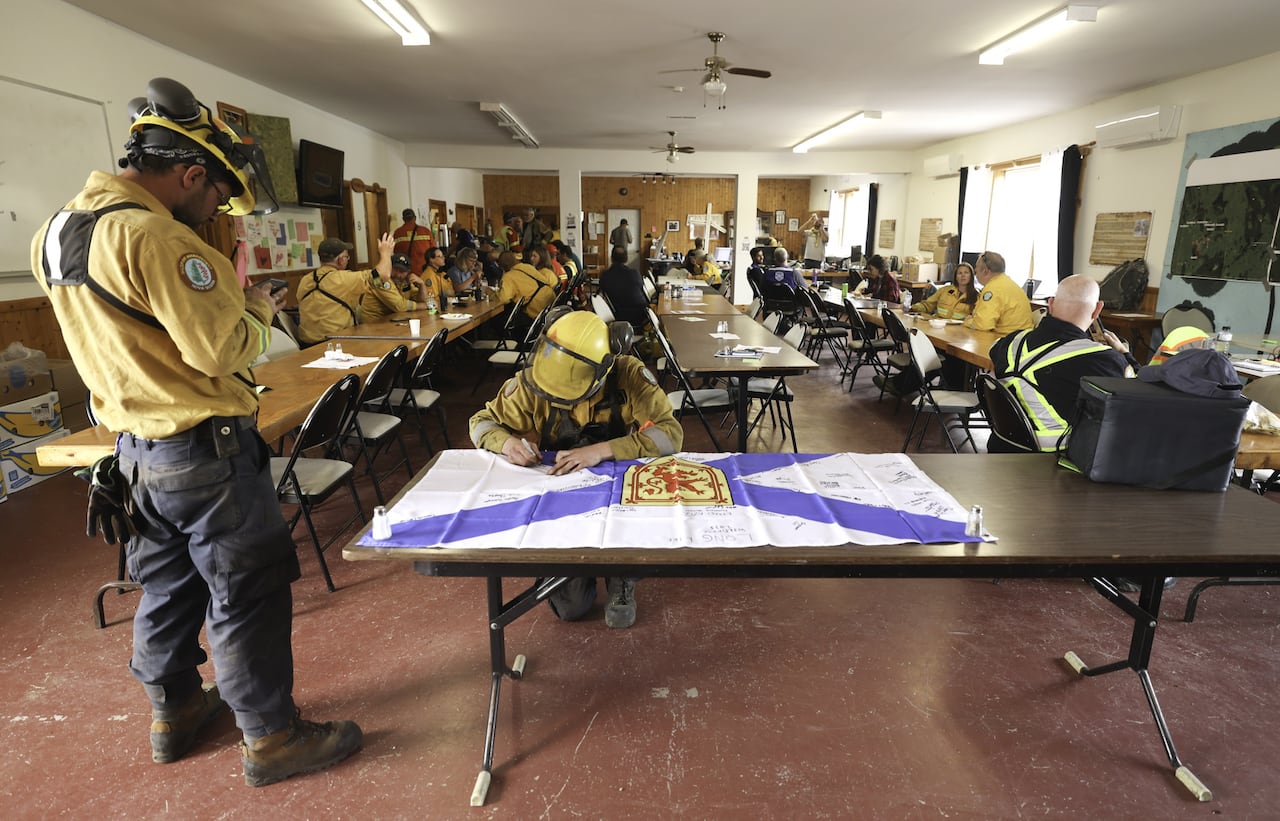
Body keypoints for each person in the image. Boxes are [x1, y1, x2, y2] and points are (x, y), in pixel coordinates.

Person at [30, 77, 360, 787]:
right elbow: (219, 351)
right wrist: (253, 308)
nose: (214, 210)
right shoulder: (157, 236)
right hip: (204, 451)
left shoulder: (56, 231)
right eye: (215, 195)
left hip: (134, 455)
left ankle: (175, 709)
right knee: (245, 590)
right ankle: (272, 738)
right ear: (188, 173)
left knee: (169, 587)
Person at [469, 309, 683, 628]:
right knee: (572, 609)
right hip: (561, 488)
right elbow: (480, 423)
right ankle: (567, 566)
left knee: (641, 509)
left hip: (618, 484)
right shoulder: (538, 377)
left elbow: (670, 434)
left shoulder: (628, 374)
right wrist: (507, 444)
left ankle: (621, 578)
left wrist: (602, 450)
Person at [989, 275, 1136, 452]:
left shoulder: (1012, 341)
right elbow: (1137, 398)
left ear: (1050, 304)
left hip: (1001, 444)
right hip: (1055, 459)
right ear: (1097, 310)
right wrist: (1124, 354)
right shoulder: (1104, 359)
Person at [296, 234, 395, 345]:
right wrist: (385, 254)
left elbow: (376, 282)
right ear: (341, 260)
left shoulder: (305, 280)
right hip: (336, 343)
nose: (347, 260)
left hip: (306, 344)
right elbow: (383, 275)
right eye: (347, 257)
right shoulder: (343, 279)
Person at [963, 251, 1034, 335]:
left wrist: (968, 321)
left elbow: (984, 324)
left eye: (977, 268)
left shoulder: (992, 289)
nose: (975, 270)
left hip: (1006, 339)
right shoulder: (1009, 283)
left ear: (985, 271)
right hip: (1021, 337)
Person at [496, 249, 558, 333]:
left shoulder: (508, 277)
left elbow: (503, 299)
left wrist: (492, 293)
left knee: (498, 319)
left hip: (536, 314)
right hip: (550, 305)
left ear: (502, 267)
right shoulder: (527, 267)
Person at [361, 253, 436, 322]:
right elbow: (399, 305)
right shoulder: (379, 279)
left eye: (402, 271)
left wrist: (422, 285)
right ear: (389, 266)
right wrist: (425, 306)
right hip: (373, 323)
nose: (397, 274)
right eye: (395, 269)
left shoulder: (404, 281)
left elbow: (421, 300)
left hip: (392, 319)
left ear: (408, 272)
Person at [599, 245, 649, 329]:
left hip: (619, 315)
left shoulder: (605, 276)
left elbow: (603, 294)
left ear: (611, 258)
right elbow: (641, 289)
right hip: (641, 314)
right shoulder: (635, 273)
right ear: (626, 258)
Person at [910, 261, 979, 320]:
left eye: (966, 273)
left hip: (959, 331)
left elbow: (976, 317)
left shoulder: (977, 296)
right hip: (938, 325)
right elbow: (927, 305)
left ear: (971, 276)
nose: (963, 275)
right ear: (956, 277)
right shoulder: (945, 290)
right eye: (959, 273)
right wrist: (911, 308)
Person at [392, 207, 434, 274]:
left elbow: (396, 253)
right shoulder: (426, 231)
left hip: (406, 272)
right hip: (425, 271)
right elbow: (433, 251)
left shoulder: (397, 233)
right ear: (415, 218)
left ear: (403, 219)